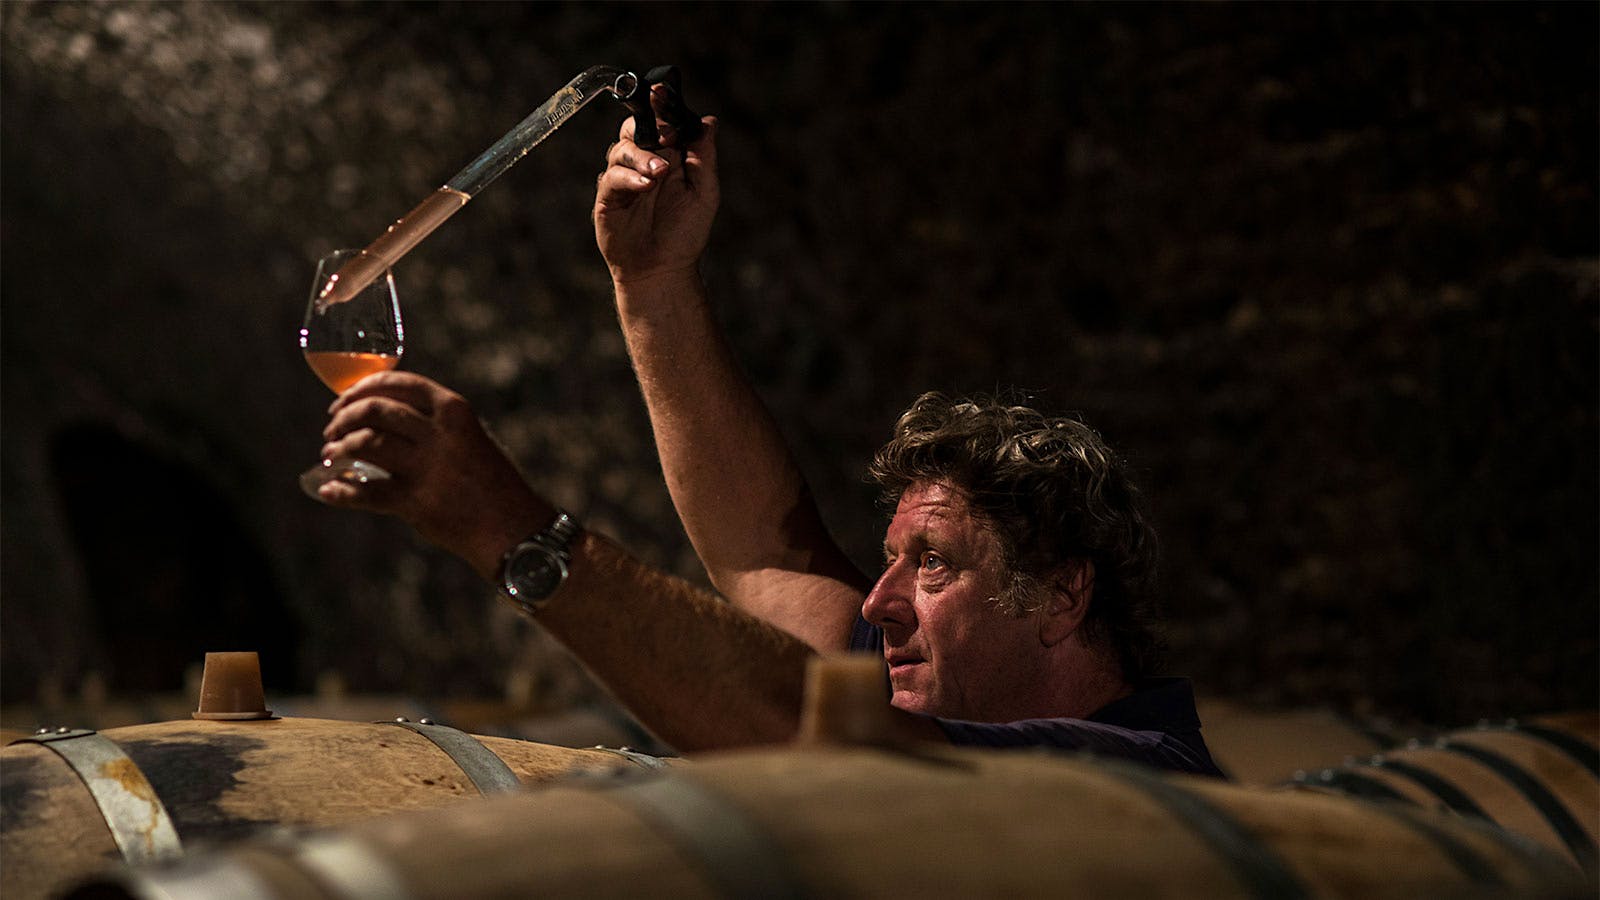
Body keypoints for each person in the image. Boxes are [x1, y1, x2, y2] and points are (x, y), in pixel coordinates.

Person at [315, 94, 1221, 777]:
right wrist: (653, 282)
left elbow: (805, 728)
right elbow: (764, 552)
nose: (879, 601)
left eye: (935, 561)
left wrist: (505, 528)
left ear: (1062, 596)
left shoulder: (1132, 768)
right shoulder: (949, 683)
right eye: (894, 559)